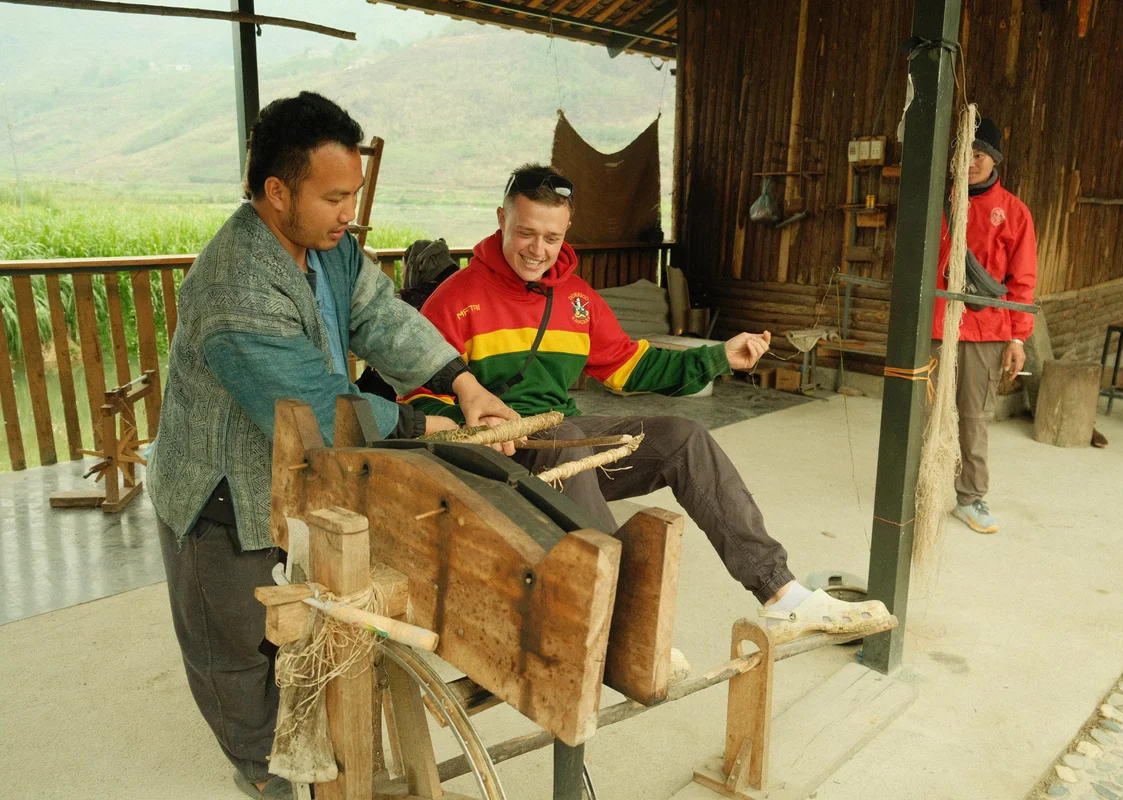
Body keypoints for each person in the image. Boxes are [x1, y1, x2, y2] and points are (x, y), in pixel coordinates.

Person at [146, 92, 515, 800]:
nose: (350, 213)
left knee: (305, 613)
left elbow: (379, 315)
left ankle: (302, 737)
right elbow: (311, 403)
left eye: (354, 195)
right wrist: (422, 426)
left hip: (297, 472)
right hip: (219, 486)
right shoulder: (235, 285)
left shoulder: (332, 250)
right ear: (278, 191)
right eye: (334, 197)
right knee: (232, 643)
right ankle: (262, 771)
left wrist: (459, 381)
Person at [404, 163, 890, 641]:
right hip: (491, 456)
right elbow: (418, 397)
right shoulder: (454, 297)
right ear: (500, 219)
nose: (538, 250)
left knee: (684, 438)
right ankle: (616, 622)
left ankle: (781, 595)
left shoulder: (577, 299)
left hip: (561, 440)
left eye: (551, 238)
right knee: (569, 437)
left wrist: (719, 357)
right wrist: (482, 431)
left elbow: (628, 366)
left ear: (567, 228)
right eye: (526, 233)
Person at [934, 117, 1037, 535]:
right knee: (925, 412)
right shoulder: (938, 204)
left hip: (987, 330)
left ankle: (971, 497)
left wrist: (1017, 336)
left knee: (973, 417)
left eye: (979, 155)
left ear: (993, 160)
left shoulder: (1014, 212)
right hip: (936, 326)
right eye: (965, 156)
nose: (972, 163)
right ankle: (916, 488)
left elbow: (1023, 279)